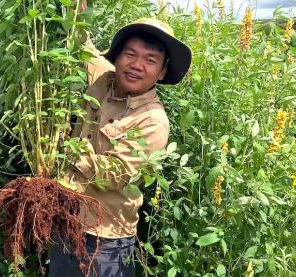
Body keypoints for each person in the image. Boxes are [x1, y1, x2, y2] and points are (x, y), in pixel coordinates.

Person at [48, 16, 192, 277]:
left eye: (150, 60)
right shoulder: (102, 77)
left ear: (161, 71)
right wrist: (76, 11)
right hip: (66, 221)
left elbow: (112, 174)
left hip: (105, 242)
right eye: (130, 54)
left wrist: (64, 147)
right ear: (117, 57)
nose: (136, 65)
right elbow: (81, 41)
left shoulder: (153, 121)